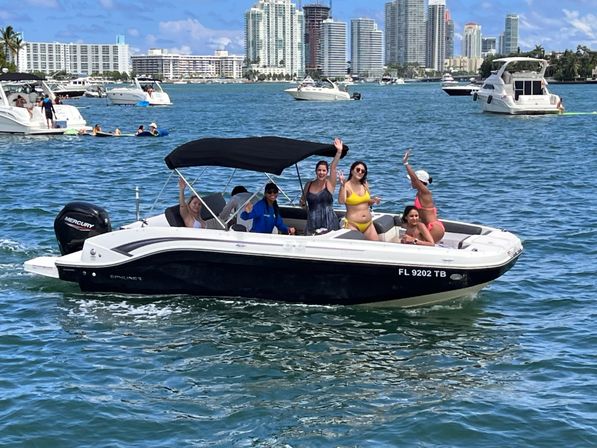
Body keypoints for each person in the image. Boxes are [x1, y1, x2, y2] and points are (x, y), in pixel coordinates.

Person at [300, 137, 343, 234]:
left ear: (327, 172)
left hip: (330, 225)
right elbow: (302, 201)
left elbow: (333, 167)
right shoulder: (308, 185)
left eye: (324, 170)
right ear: (315, 171)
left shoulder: (330, 184)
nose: (321, 172)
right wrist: (302, 204)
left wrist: (339, 151)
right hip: (312, 224)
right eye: (319, 170)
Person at [402, 149, 445, 243]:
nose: (411, 182)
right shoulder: (420, 193)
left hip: (434, 228)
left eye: (412, 181)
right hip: (429, 227)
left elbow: (415, 180)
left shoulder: (425, 193)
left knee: (417, 244)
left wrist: (406, 164)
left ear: (421, 182)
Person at [338, 160, 381, 241]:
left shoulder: (365, 184)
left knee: (375, 246)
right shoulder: (346, 186)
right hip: (352, 224)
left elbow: (366, 203)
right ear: (352, 171)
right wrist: (342, 185)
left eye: (363, 171)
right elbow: (341, 201)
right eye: (358, 169)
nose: (360, 172)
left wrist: (374, 200)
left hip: (368, 224)